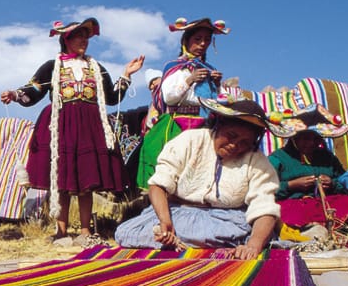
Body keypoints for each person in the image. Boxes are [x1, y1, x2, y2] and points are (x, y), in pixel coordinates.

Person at [0, 18, 144, 242]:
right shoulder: (53, 66)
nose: (84, 41)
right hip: (61, 124)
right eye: (79, 36)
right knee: (62, 180)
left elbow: (111, 97)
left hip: (89, 126)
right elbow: (34, 90)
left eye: (86, 37)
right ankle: (61, 232)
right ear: (66, 39)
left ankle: (85, 231)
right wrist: (15, 94)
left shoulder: (96, 68)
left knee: (86, 181)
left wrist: (127, 74)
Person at [115, 98, 280, 260]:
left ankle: (184, 243)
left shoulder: (257, 161)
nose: (235, 145)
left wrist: (253, 245)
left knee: (252, 234)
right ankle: (194, 242)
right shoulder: (190, 141)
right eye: (231, 135)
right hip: (175, 215)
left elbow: (264, 207)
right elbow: (158, 185)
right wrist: (165, 222)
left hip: (226, 222)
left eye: (245, 142)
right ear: (219, 125)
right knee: (126, 233)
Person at [137, 17, 229, 189]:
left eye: (207, 40)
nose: (203, 44)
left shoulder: (209, 69)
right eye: (197, 39)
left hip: (203, 126)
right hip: (176, 124)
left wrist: (216, 85)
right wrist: (190, 79)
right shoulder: (175, 67)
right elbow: (169, 98)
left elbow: (215, 103)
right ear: (186, 41)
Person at [267, 104, 348, 235]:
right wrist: (291, 185)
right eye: (306, 138)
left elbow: (345, 184)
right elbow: (264, 191)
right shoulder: (278, 158)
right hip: (293, 206)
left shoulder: (327, 156)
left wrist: (332, 184)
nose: (312, 143)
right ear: (294, 137)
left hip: (325, 205)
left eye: (316, 139)